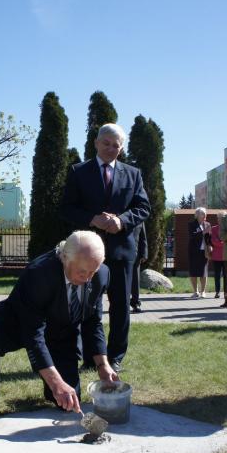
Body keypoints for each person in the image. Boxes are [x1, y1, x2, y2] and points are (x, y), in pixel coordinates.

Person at [0, 231, 118, 420]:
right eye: (82, 272)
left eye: (93, 271)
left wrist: (103, 365)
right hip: (18, 322)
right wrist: (55, 381)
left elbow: (93, 321)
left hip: (61, 332)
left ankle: (52, 389)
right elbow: (33, 334)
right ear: (65, 258)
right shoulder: (38, 274)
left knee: (67, 402)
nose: (88, 279)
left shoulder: (101, 275)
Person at [60, 123, 150, 372]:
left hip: (122, 251)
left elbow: (143, 208)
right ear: (96, 143)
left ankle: (116, 357)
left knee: (121, 307)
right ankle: (91, 357)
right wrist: (92, 219)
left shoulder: (133, 174)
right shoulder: (79, 172)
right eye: (106, 143)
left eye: (116, 145)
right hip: (88, 254)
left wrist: (121, 221)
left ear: (122, 148)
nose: (111, 148)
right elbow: (66, 208)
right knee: (90, 306)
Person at [188, 207, 211, 298]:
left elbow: (209, 238)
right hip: (193, 251)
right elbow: (192, 236)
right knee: (193, 272)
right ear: (197, 215)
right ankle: (195, 291)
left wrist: (210, 247)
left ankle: (203, 291)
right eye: (202, 213)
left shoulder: (207, 224)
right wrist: (202, 232)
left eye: (205, 213)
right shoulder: (191, 224)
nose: (205, 215)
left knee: (203, 272)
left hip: (204, 252)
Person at [130, 223, 148, 313]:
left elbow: (143, 237)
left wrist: (144, 254)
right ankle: (121, 304)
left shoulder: (139, 218)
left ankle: (135, 303)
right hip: (120, 255)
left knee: (135, 281)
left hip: (135, 255)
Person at [209, 222, 225, 298]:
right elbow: (213, 241)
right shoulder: (214, 228)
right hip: (216, 256)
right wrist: (223, 243)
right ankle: (217, 292)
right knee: (217, 275)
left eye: (222, 218)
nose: (221, 220)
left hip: (226, 256)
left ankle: (226, 292)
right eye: (219, 218)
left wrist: (220, 242)